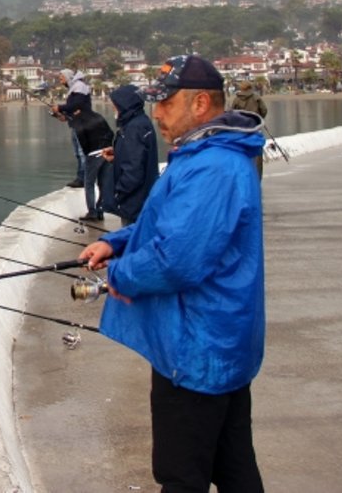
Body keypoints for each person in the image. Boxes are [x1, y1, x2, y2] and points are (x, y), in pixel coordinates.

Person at [78, 55, 266, 493]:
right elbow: (168, 225)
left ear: (200, 104)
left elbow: (176, 259)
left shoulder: (212, 167)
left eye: (165, 102)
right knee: (234, 467)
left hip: (196, 349)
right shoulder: (204, 154)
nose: (157, 113)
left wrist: (120, 276)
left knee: (180, 475)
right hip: (219, 345)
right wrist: (116, 243)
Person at [101, 84, 159, 227]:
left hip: (134, 203)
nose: (113, 108)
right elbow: (138, 156)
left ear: (124, 104)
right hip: (143, 199)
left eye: (115, 105)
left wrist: (118, 194)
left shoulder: (134, 128)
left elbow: (133, 170)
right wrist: (117, 155)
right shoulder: (142, 122)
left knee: (131, 235)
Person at [66, 99, 114, 222]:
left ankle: (92, 212)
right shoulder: (98, 116)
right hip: (107, 151)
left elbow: (82, 141)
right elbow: (110, 133)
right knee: (103, 183)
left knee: (89, 183)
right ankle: (100, 210)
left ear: (77, 110)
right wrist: (107, 146)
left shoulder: (78, 121)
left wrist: (88, 153)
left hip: (93, 154)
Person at [52, 69, 91, 188]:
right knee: (78, 153)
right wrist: (63, 116)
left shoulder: (79, 86)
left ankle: (84, 179)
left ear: (68, 77)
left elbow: (77, 105)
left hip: (82, 124)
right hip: (75, 124)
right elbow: (73, 108)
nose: (60, 81)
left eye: (61, 78)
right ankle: (80, 178)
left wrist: (60, 108)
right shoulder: (74, 88)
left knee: (82, 153)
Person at [231, 79, 268, 179]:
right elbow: (264, 110)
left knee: (242, 154)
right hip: (255, 129)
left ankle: (243, 177)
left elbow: (232, 114)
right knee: (257, 157)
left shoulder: (236, 99)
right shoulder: (256, 98)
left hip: (241, 130)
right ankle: (257, 179)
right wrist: (259, 119)